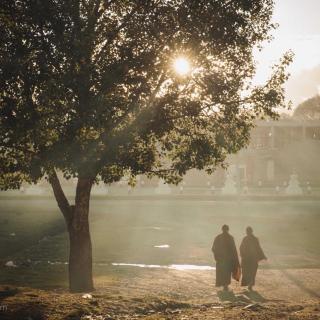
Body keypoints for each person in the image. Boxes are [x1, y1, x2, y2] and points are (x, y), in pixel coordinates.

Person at [212, 225, 240, 291]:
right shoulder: (230, 238)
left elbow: (214, 248)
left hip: (221, 259)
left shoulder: (218, 237)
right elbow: (234, 250)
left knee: (222, 272)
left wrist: (217, 256)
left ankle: (224, 286)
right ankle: (225, 286)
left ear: (222, 229)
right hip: (228, 259)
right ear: (228, 229)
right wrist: (235, 259)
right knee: (227, 273)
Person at [240, 226, 267, 291]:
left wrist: (242, 255)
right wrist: (263, 256)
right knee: (251, 272)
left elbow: (241, 248)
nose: (247, 232)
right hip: (252, 259)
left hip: (247, 259)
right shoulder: (254, 239)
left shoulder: (245, 239)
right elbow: (258, 248)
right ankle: (250, 285)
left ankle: (250, 285)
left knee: (248, 272)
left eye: (247, 231)